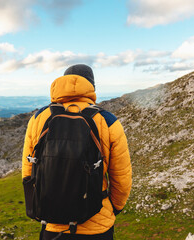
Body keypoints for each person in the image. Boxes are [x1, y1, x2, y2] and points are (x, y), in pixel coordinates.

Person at [22, 64, 132, 240]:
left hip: (52, 224)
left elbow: (29, 171)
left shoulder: (38, 118)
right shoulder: (108, 120)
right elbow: (121, 177)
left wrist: (38, 207)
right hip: (97, 224)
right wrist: (112, 207)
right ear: (92, 86)